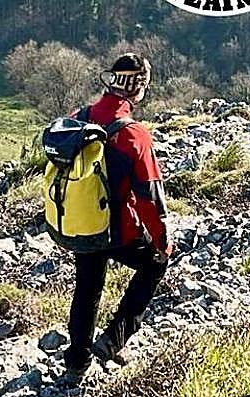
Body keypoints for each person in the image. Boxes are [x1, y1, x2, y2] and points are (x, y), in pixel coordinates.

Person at [64, 55, 172, 380]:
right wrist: (163, 241)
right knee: (155, 264)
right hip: (118, 231)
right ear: (138, 87)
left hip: (81, 222)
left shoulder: (77, 118)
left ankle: (76, 363)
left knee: (87, 288)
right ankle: (114, 340)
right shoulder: (134, 135)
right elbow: (149, 199)